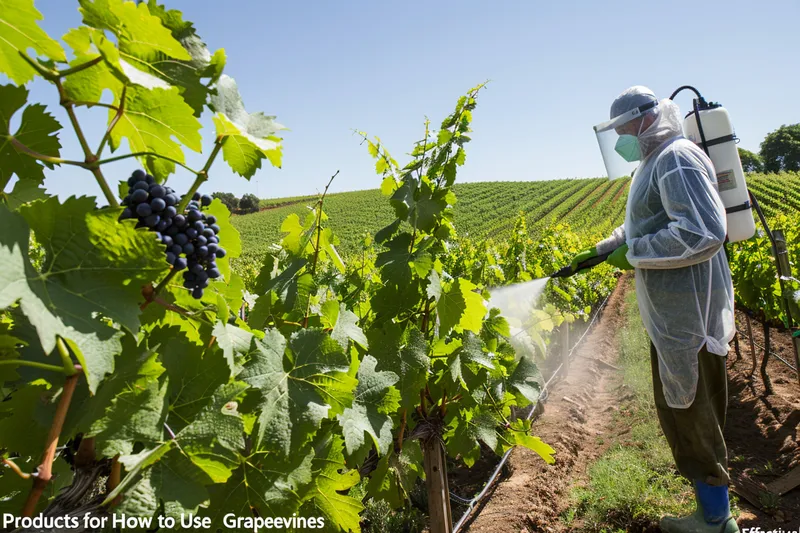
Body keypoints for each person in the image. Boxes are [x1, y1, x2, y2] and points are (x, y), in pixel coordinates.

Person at [573, 86, 738, 533]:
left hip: (689, 316)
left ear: (645, 119)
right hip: (675, 316)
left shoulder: (675, 158)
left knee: (694, 412)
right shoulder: (655, 161)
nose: (622, 139)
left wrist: (636, 252)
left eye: (624, 129)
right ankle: (709, 512)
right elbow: (648, 221)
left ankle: (717, 520)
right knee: (682, 408)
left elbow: (702, 232)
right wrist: (617, 242)